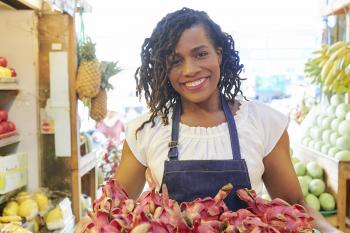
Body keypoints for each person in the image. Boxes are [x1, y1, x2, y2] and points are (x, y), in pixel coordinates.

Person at [113, 8, 340, 233]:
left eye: (201, 54)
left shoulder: (263, 123)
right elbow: (114, 212)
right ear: (165, 68)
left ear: (218, 54)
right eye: (175, 61)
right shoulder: (145, 131)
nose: (190, 69)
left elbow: (295, 204)